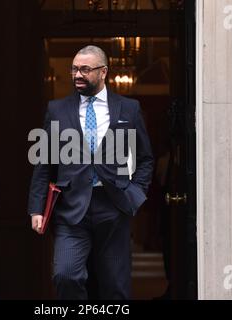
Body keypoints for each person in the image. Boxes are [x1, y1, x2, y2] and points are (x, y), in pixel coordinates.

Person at [28, 45, 154, 300]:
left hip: (114, 207)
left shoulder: (129, 109)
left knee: (115, 286)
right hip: (71, 208)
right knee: (66, 276)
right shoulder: (57, 110)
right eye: (74, 69)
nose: (77, 74)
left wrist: (136, 192)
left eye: (85, 69)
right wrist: (37, 208)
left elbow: (145, 158)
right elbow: (44, 162)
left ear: (103, 71)